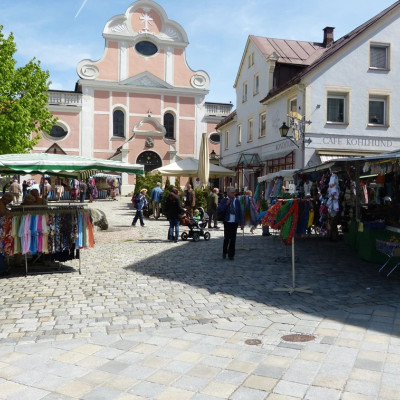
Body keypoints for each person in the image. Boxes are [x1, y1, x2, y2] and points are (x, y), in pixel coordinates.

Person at [217, 186, 244, 260]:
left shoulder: (237, 201)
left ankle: (231, 254)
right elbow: (219, 210)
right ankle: (224, 252)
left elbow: (240, 212)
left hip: (234, 222)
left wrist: (242, 223)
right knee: (226, 238)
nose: (234, 193)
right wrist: (226, 204)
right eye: (232, 192)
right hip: (227, 221)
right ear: (228, 193)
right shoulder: (224, 200)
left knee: (233, 239)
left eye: (234, 192)